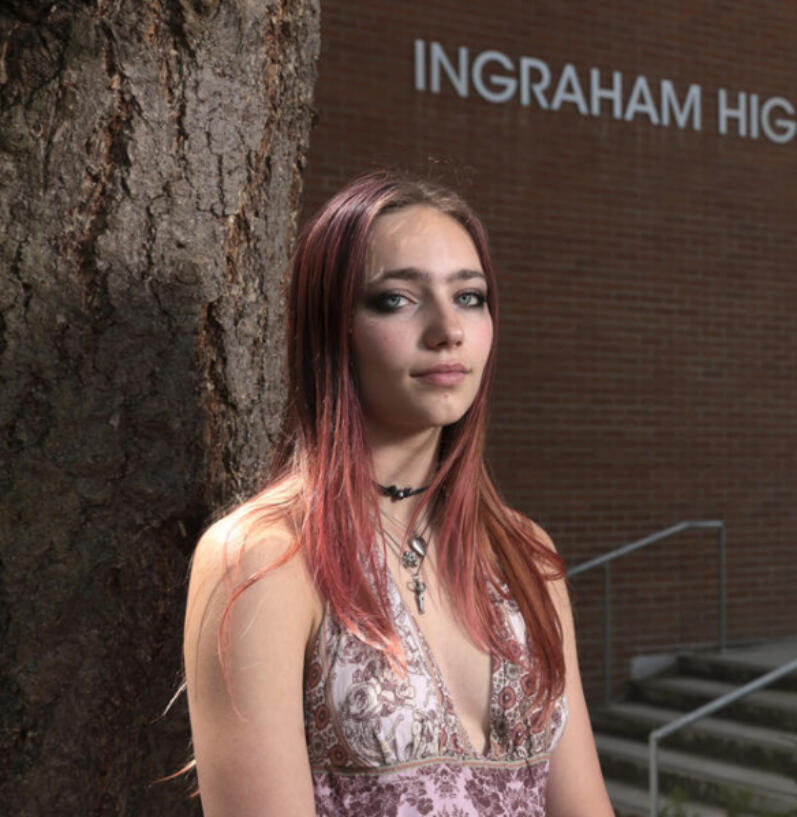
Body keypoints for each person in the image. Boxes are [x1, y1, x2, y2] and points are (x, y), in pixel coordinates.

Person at [182, 171, 615, 817]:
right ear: (334, 328)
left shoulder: (527, 554)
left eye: (470, 296)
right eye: (396, 299)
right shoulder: (262, 560)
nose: (448, 329)